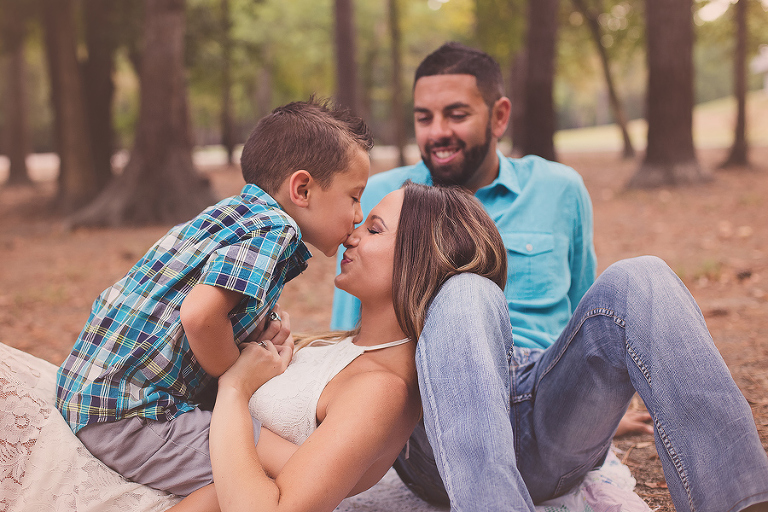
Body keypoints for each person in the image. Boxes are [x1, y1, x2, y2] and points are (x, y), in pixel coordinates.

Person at [330, 41, 646, 502]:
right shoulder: (384, 194)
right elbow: (350, 332)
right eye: (423, 117)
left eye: (456, 115)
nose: (437, 132)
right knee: (467, 291)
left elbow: (584, 319)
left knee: (641, 277)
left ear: (499, 117)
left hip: (547, 411)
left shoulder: (560, 189)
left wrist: (594, 408)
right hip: (431, 421)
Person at [54, 98, 373, 499]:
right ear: (303, 188)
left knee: (269, 453)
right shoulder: (275, 231)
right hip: (130, 415)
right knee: (255, 469)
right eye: (354, 197)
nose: (359, 215)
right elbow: (201, 317)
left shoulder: (232, 216)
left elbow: (194, 309)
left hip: (91, 388)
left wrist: (256, 332)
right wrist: (237, 376)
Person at [170, 182, 510, 511]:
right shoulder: (337, 348)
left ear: (423, 257)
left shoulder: (381, 390)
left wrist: (234, 387)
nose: (351, 235)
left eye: (374, 230)